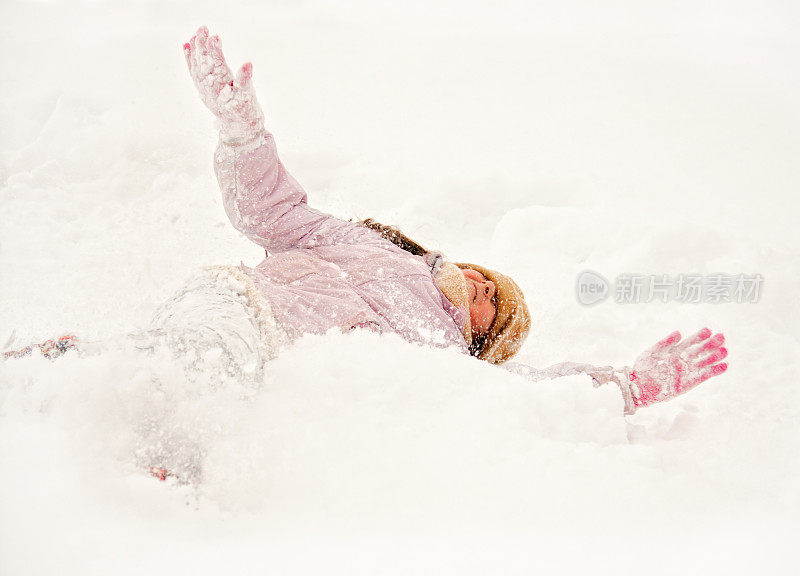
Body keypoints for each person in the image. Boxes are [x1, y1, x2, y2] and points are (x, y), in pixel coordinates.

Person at [2, 27, 728, 420]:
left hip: (278, 361)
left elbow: (534, 395)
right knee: (185, 358)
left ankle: (115, 446)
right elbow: (272, 211)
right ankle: (50, 378)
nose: (476, 281)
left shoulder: (438, 356)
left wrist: (624, 386)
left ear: (481, 337)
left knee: (186, 376)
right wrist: (243, 135)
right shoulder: (365, 241)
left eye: (490, 300)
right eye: (484, 274)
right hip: (234, 301)